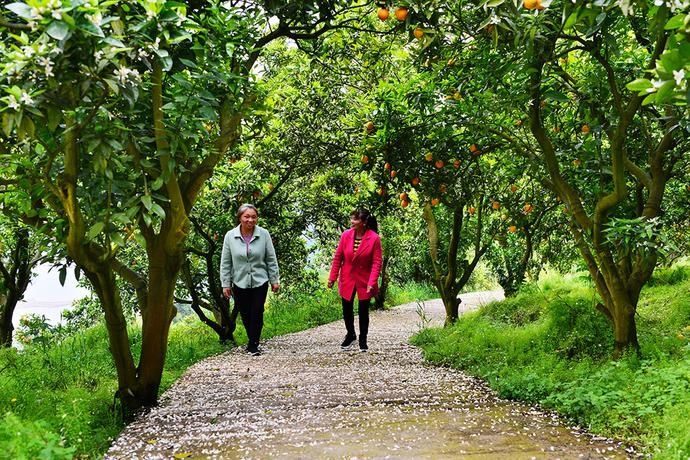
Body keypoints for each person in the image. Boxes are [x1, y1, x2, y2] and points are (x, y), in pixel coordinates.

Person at [220, 204, 280, 356]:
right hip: (239, 281)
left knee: (257, 311)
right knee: (246, 313)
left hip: (260, 280)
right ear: (240, 218)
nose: (250, 220)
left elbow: (271, 258)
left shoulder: (263, 234)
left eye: (253, 217)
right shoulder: (230, 236)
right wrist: (225, 284)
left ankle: (253, 343)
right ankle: (251, 338)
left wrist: (274, 280)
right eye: (247, 216)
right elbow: (226, 262)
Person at [328, 208, 382, 352]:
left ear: (364, 222)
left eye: (356, 219)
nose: (352, 222)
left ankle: (363, 339)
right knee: (347, 309)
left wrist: (372, 282)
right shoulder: (345, 235)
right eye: (352, 218)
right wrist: (332, 277)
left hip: (365, 279)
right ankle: (350, 334)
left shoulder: (374, 238)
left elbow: (377, 262)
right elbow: (338, 257)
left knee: (363, 310)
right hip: (347, 277)